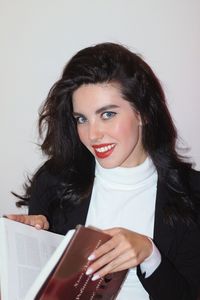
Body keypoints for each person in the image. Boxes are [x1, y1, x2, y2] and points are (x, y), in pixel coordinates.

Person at [7, 42, 200, 300]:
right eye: (82, 119)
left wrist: (149, 254)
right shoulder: (55, 181)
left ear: (142, 113)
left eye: (107, 114)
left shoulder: (191, 191)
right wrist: (25, 240)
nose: (93, 134)